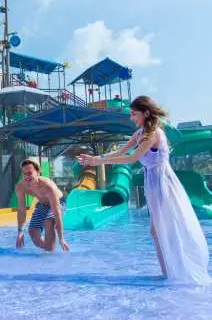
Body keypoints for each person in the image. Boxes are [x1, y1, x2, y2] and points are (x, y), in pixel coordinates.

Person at [78, 95, 210, 285]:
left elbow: (133, 158)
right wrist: (95, 158)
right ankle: (168, 274)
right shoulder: (139, 133)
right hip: (153, 182)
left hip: (164, 183)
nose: (131, 117)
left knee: (166, 228)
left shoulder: (153, 133)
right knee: (157, 231)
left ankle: (174, 274)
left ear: (146, 113)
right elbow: (119, 152)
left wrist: (100, 161)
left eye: (134, 113)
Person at [15, 158, 70, 252]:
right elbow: (21, 210)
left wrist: (61, 238)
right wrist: (20, 232)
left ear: (38, 172)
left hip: (58, 202)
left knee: (49, 222)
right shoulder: (21, 187)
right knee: (33, 232)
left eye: (30, 173)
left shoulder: (47, 186)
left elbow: (56, 213)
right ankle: (49, 249)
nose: (27, 177)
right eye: (24, 174)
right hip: (43, 204)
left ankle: (50, 255)